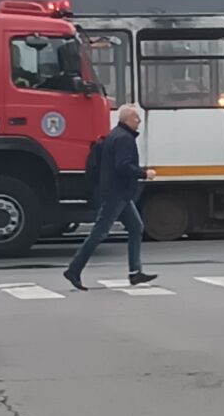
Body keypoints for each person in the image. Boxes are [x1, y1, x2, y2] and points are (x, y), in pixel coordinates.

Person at [63, 104, 157, 291]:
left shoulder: (115, 135)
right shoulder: (124, 138)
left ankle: (135, 272)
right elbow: (122, 166)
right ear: (127, 120)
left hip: (118, 193)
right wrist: (144, 174)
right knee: (99, 232)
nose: (139, 121)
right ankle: (74, 269)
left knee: (136, 227)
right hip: (117, 193)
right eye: (136, 117)